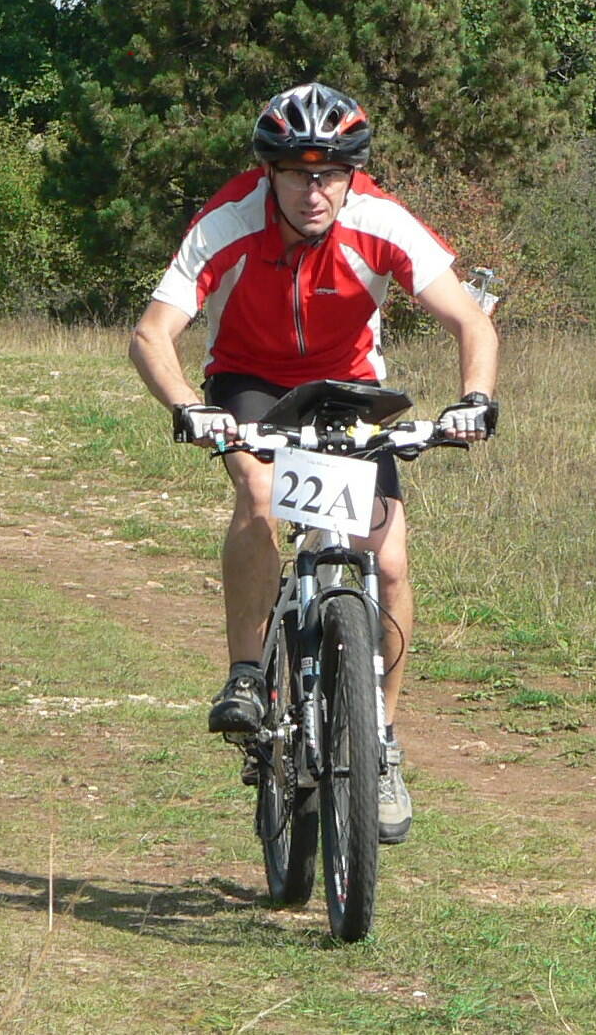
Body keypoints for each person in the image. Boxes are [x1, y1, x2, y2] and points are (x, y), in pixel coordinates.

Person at [129, 82, 499, 845]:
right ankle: (245, 674)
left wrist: (474, 398)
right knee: (260, 492)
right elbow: (151, 334)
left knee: (386, 562)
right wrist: (189, 407)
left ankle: (381, 744)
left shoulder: (380, 219)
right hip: (251, 384)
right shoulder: (228, 221)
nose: (313, 191)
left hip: (348, 389)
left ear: (352, 174)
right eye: (296, 174)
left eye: (329, 174)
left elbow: (469, 320)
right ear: (268, 173)